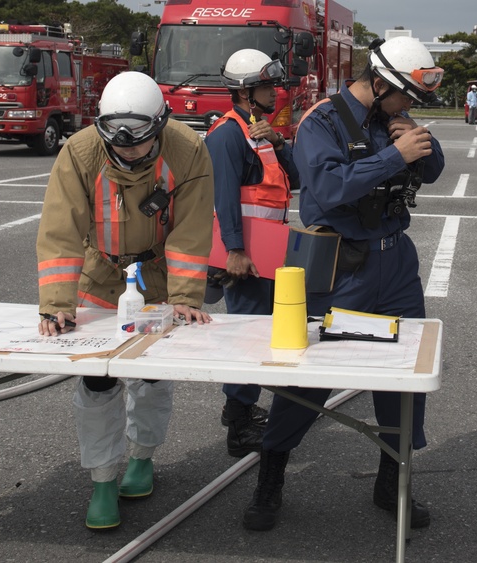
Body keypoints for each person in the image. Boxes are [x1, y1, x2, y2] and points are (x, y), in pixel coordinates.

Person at [242, 36, 445, 532]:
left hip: (395, 265)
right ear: (378, 84)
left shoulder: (389, 119)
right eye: (405, 98)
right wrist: (395, 155)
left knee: (405, 378)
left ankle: (391, 482)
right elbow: (330, 189)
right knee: (307, 377)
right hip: (342, 267)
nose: (408, 108)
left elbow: (434, 171)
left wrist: (420, 142)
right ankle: (270, 477)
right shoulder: (321, 122)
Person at [36, 71, 214, 530]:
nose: (128, 151)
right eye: (119, 143)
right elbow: (60, 229)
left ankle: (143, 458)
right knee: (97, 381)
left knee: (151, 378)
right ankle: (101, 480)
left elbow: (192, 228)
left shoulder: (188, 149)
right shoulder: (79, 151)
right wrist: (56, 302)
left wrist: (186, 296)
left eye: (139, 143)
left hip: (156, 280)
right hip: (102, 275)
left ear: (159, 125)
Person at [205, 49, 298, 457]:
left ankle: (241, 410)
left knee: (259, 331)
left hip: (268, 251)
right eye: (266, 86)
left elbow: (295, 175)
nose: (274, 92)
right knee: (246, 334)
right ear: (246, 92)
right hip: (245, 256)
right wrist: (235, 250)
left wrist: (279, 139)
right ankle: (239, 422)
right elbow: (223, 196)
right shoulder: (227, 134)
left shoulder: (258, 130)